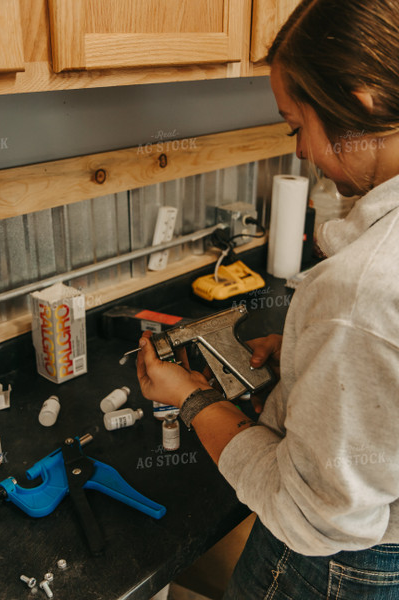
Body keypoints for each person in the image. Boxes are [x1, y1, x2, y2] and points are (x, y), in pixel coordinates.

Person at [137, 0, 399, 597]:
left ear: (358, 101)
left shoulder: (359, 291)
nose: (301, 151)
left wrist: (193, 398)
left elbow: (315, 516)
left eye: (295, 126)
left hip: (337, 570)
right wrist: (316, 361)